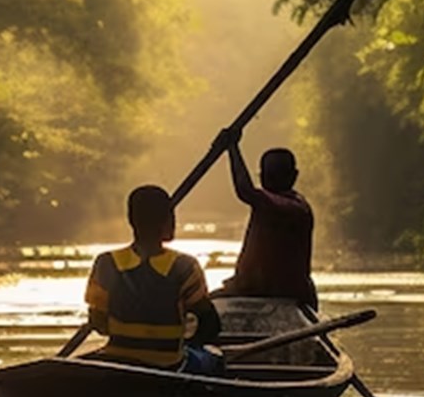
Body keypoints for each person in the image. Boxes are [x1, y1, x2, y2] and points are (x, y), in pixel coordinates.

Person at [84, 184, 223, 375]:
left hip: (116, 360)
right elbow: (210, 327)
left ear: (131, 220)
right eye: (172, 217)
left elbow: (99, 324)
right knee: (214, 358)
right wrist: (184, 341)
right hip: (169, 365)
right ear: (168, 221)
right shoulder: (185, 266)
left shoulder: (105, 263)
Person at [217, 127, 318, 308]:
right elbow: (251, 194)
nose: (268, 180)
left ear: (293, 176)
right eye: (266, 175)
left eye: (274, 175)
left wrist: (232, 148)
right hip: (251, 290)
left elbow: (245, 191)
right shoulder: (265, 203)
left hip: (285, 295)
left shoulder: (294, 208)